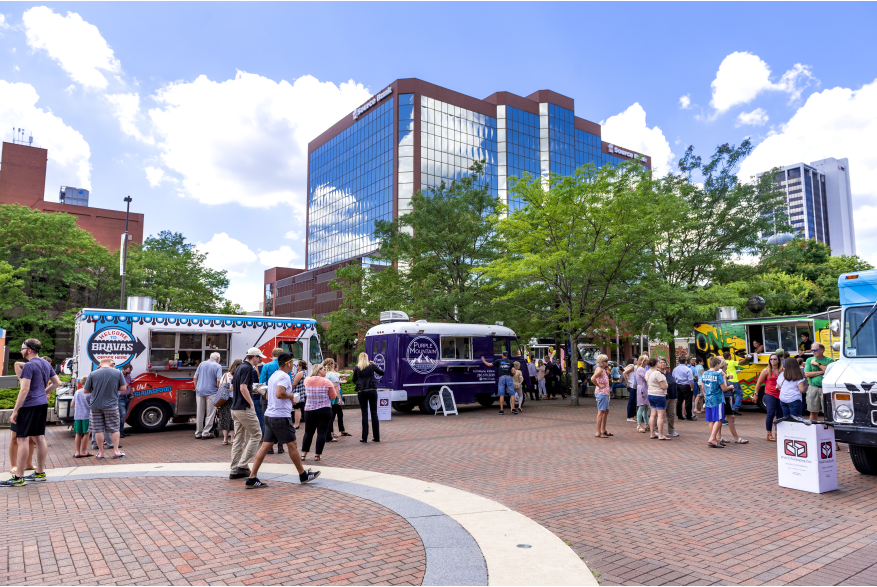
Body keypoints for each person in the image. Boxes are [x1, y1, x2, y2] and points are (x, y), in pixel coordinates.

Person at [245, 353, 321, 488]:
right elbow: (279, 394)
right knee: (292, 445)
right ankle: (303, 475)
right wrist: (292, 396)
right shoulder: (285, 376)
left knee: (265, 446)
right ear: (288, 363)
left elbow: (269, 395)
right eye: (292, 363)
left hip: (270, 414)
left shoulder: (274, 375)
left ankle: (252, 478)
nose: (292, 366)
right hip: (280, 416)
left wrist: (287, 400)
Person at [2, 339, 60, 486]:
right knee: (39, 438)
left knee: (22, 439)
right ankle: (40, 472)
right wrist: (43, 393)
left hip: (28, 406)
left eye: (22, 349)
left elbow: (24, 389)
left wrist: (15, 410)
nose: (20, 351)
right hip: (42, 405)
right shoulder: (46, 364)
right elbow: (57, 382)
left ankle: (19, 477)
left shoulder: (28, 366)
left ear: (29, 350)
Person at [229, 347, 265, 480]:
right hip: (244, 408)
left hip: (235, 407)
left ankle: (234, 470)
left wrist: (251, 390)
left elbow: (234, 387)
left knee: (239, 439)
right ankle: (243, 465)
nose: (260, 360)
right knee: (257, 434)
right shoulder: (248, 368)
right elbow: (243, 388)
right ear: (254, 357)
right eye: (259, 357)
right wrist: (251, 403)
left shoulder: (239, 367)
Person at [84, 358, 127, 460]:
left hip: (95, 406)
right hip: (111, 405)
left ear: (100, 364)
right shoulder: (118, 373)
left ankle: (100, 453)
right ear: (111, 363)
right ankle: (116, 451)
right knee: (114, 429)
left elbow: (85, 390)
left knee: (98, 430)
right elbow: (123, 388)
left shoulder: (92, 374)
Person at [300, 363, 337, 461]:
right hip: (324, 409)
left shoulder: (307, 380)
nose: (325, 371)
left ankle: (303, 454)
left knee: (308, 432)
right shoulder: (327, 382)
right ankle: (317, 455)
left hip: (309, 410)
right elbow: (333, 396)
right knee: (322, 432)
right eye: (324, 369)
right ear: (319, 370)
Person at [352, 352, 385, 440]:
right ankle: (376, 437)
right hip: (372, 390)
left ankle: (364, 437)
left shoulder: (357, 367)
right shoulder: (371, 366)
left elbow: (353, 379)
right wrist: (374, 364)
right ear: (367, 358)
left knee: (364, 414)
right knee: (374, 413)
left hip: (362, 391)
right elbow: (382, 373)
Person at [259, 348, 285, 454]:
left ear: (272, 354)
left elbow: (261, 382)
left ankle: (269, 447)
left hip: (268, 396)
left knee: (267, 422)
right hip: (280, 397)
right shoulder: (284, 367)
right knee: (281, 420)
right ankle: (280, 446)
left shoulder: (267, 366)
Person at [717, 358, 749, 444]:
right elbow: (723, 386)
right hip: (723, 398)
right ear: (724, 365)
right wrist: (730, 387)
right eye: (726, 364)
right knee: (729, 418)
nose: (727, 365)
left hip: (723, 398)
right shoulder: (721, 373)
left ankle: (718, 437)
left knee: (721, 418)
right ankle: (736, 437)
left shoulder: (721, 373)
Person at [193, 352, 222, 440]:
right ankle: (206, 433)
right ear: (217, 359)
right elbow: (218, 380)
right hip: (211, 392)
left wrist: (196, 388)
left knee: (200, 412)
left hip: (200, 391)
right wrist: (218, 391)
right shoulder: (218, 366)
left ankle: (198, 432)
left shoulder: (202, 363)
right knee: (210, 413)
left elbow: (195, 377)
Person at [703, 357, 730, 448]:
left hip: (708, 399)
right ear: (717, 365)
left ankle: (714, 439)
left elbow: (703, 387)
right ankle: (712, 438)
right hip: (717, 399)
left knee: (711, 420)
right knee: (719, 419)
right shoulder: (718, 375)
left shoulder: (705, 373)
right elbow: (724, 388)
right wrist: (726, 380)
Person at [755, 353, 783, 441]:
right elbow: (759, 383)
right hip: (770, 394)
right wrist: (755, 394)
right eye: (771, 359)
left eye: (775, 359)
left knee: (780, 415)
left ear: (778, 360)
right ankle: (769, 434)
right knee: (770, 414)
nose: (773, 361)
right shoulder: (766, 371)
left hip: (780, 395)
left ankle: (778, 432)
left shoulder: (783, 370)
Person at [804, 342, 833, 422]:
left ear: (822, 350)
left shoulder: (829, 360)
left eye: (815, 350)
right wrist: (823, 371)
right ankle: (813, 429)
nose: (813, 352)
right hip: (813, 388)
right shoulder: (809, 360)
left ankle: (828, 429)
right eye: (812, 350)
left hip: (826, 389)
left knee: (828, 412)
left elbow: (831, 372)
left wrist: (817, 364)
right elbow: (807, 374)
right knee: (813, 411)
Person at [645, 357, 670, 440]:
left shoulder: (647, 372)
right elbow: (663, 386)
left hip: (650, 394)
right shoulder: (657, 373)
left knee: (653, 415)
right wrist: (667, 385)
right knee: (660, 416)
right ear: (657, 363)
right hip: (659, 395)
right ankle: (660, 434)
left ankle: (652, 433)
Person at [324, 359, 350, 440]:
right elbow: (335, 387)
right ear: (331, 365)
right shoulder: (332, 374)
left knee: (338, 413)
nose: (334, 365)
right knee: (333, 415)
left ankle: (340, 430)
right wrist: (339, 398)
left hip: (330, 395)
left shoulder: (326, 373)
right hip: (335, 395)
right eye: (333, 364)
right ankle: (331, 434)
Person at [216, 360, 239, 445]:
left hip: (225, 399)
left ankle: (225, 439)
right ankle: (232, 439)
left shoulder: (225, 375)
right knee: (233, 419)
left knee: (224, 418)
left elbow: (220, 385)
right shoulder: (238, 375)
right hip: (235, 399)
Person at [722, 350, 750, 415]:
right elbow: (740, 363)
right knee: (739, 394)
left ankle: (731, 408)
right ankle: (735, 408)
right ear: (729, 356)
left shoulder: (722, 362)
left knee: (730, 396)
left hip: (727, 381)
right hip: (734, 381)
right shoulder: (731, 362)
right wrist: (745, 358)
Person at [592, 355, 612, 438]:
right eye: (606, 361)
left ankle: (603, 430)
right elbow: (593, 378)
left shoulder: (602, 370)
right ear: (602, 362)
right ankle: (598, 432)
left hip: (605, 393)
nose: (607, 362)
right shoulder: (600, 369)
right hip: (601, 393)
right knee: (601, 412)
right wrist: (599, 385)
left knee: (606, 411)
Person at [72, 385, 92, 458]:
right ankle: (83, 451)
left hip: (77, 415)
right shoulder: (90, 392)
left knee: (78, 433)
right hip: (87, 415)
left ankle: (77, 452)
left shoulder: (77, 392)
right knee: (86, 433)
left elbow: (72, 404)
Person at [673, 356, 695, 421]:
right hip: (686, 386)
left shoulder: (675, 369)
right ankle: (689, 415)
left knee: (679, 401)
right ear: (685, 362)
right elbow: (691, 380)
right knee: (688, 401)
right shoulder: (688, 369)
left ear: (679, 361)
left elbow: (673, 377)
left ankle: (679, 415)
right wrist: (692, 387)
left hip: (678, 385)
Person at [634, 355, 650, 433]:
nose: (648, 361)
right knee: (641, 407)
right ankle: (639, 425)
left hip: (644, 388)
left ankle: (646, 424)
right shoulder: (641, 369)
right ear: (644, 361)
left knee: (645, 407)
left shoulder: (642, 369)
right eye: (647, 360)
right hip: (642, 389)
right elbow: (647, 378)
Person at [291, 360, 308, 429]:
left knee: (297, 409)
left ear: (300, 366)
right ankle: (297, 423)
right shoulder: (303, 373)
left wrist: (289, 389)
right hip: (300, 393)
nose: (296, 366)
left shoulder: (300, 373)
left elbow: (294, 383)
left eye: (297, 365)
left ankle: (296, 424)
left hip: (297, 393)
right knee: (298, 409)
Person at [119, 364, 134, 438]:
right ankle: (119, 433)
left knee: (124, 415)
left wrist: (132, 394)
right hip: (120, 397)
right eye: (127, 372)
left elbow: (130, 385)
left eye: (129, 372)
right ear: (123, 369)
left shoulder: (128, 376)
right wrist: (124, 386)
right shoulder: (118, 376)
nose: (128, 374)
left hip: (127, 397)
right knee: (122, 414)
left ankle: (121, 431)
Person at [665, 362, 679, 437]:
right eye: (661, 363)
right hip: (664, 396)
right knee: (660, 415)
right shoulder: (657, 373)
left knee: (671, 414)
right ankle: (656, 430)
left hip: (672, 395)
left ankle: (671, 430)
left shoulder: (667, 372)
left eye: (664, 362)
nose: (663, 364)